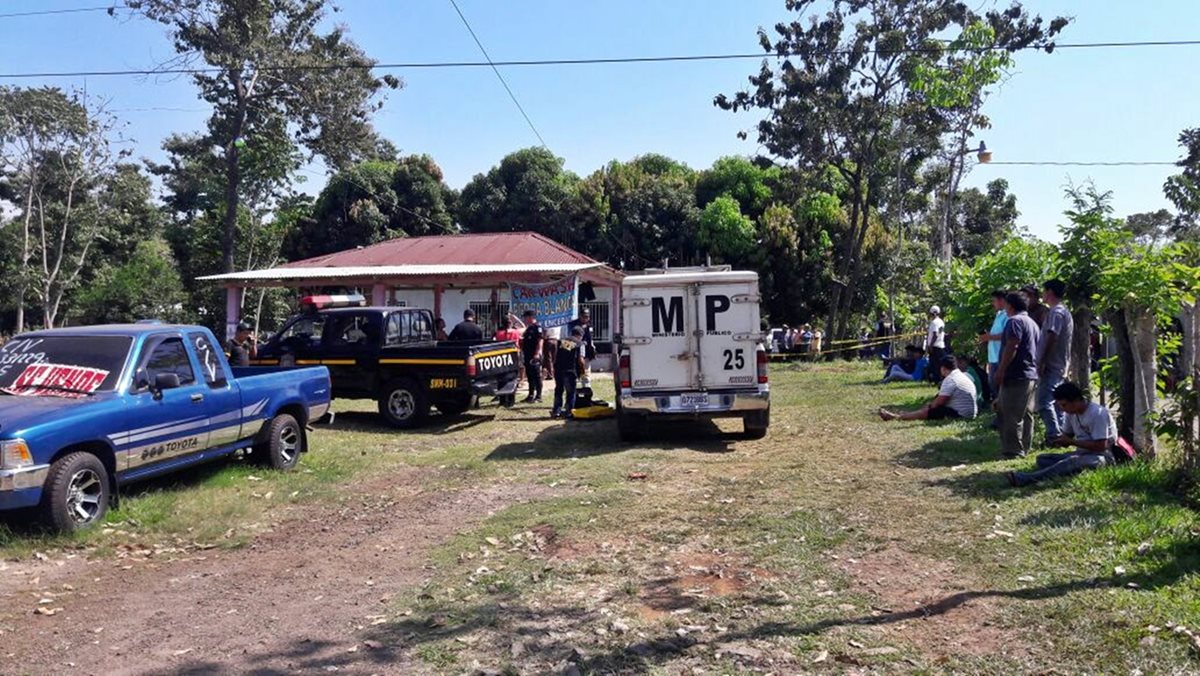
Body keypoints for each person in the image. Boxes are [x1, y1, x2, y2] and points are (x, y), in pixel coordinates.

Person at [1007, 381, 1117, 487]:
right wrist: (1059, 441)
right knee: (1043, 459)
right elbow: (1067, 436)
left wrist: (1072, 442)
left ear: (1076, 400)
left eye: (1064, 405)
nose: (1062, 409)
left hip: (1103, 457)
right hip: (1082, 453)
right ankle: (1066, 470)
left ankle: (1026, 479)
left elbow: (1101, 446)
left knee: (1071, 461)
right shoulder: (1071, 413)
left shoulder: (1097, 414)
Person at [995, 292, 1041, 458]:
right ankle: (1025, 447)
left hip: (1016, 374)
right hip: (1031, 374)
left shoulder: (1014, 321)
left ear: (1011, 306)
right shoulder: (1032, 323)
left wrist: (1001, 370)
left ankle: (1013, 450)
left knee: (1010, 413)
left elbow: (1012, 346)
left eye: (1006, 305)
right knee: (1026, 413)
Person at [880, 355, 978, 422]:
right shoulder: (961, 375)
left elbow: (939, 402)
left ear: (943, 368)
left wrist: (927, 408)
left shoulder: (950, 379)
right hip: (970, 414)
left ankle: (897, 417)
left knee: (929, 410)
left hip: (961, 415)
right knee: (930, 405)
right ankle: (908, 414)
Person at [1036, 279, 1074, 443]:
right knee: (1058, 403)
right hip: (1057, 364)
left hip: (1052, 364)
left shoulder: (1057, 312)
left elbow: (1053, 335)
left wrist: (1043, 360)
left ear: (1050, 292)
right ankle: (1062, 435)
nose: (1042, 295)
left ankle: (1054, 436)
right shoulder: (1061, 311)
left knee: (1044, 402)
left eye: (1044, 291)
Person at [977, 290, 1009, 400]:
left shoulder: (1008, 316)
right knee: (993, 384)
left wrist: (989, 337)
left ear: (1001, 301)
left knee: (999, 385)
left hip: (1001, 356)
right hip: (993, 357)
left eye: (994, 301)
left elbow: (1007, 335)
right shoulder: (999, 315)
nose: (993, 303)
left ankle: (1003, 409)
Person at [552, 326, 587, 419]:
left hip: (559, 370)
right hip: (570, 370)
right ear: (580, 335)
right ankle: (569, 412)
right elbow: (580, 360)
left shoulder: (563, 342)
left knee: (559, 390)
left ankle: (556, 411)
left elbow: (558, 356)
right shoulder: (580, 344)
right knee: (571, 392)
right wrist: (583, 372)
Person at [520, 309, 544, 403]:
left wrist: (537, 353)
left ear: (530, 317)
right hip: (527, 354)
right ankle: (530, 395)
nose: (525, 319)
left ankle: (538, 396)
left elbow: (540, 340)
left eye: (526, 317)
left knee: (537, 375)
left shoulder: (537, 327)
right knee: (529, 376)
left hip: (534, 355)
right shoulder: (529, 328)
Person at [925, 306, 946, 381]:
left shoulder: (934, 322)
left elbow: (935, 334)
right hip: (941, 345)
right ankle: (939, 379)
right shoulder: (941, 321)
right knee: (940, 364)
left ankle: (937, 379)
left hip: (935, 346)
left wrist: (930, 345)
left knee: (935, 365)